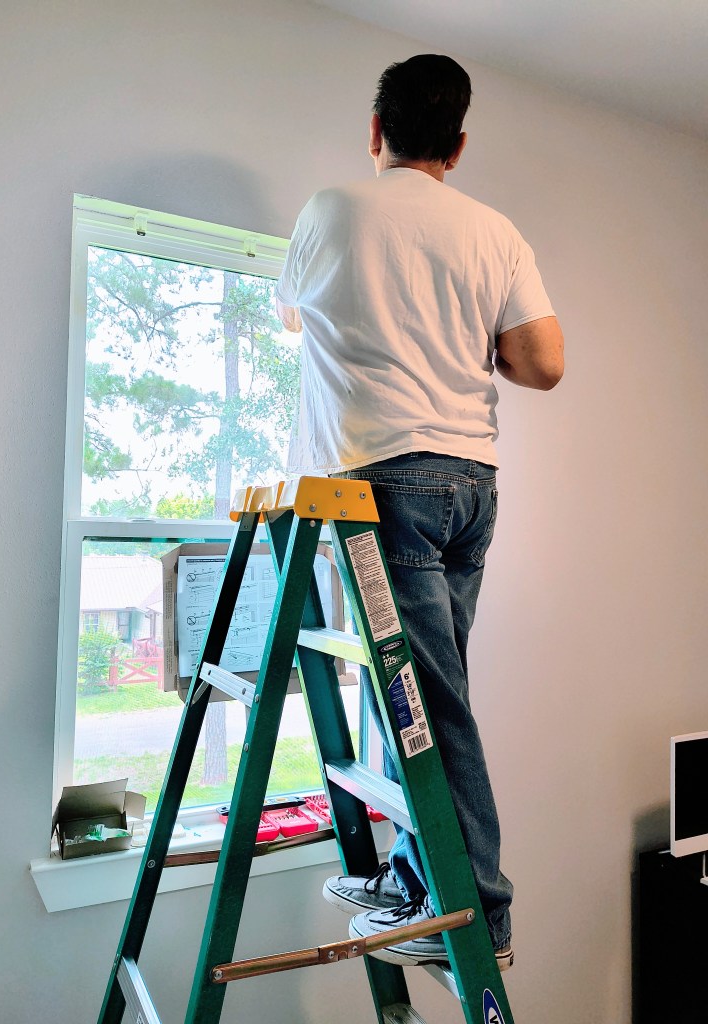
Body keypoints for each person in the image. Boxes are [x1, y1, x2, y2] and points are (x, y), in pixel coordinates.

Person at [275, 53, 564, 971]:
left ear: (376, 132)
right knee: (417, 694)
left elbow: (292, 317)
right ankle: (412, 876)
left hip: (385, 486)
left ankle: (481, 917)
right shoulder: (494, 231)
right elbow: (543, 363)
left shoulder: (331, 210)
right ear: (460, 143)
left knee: (426, 705)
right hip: (468, 488)